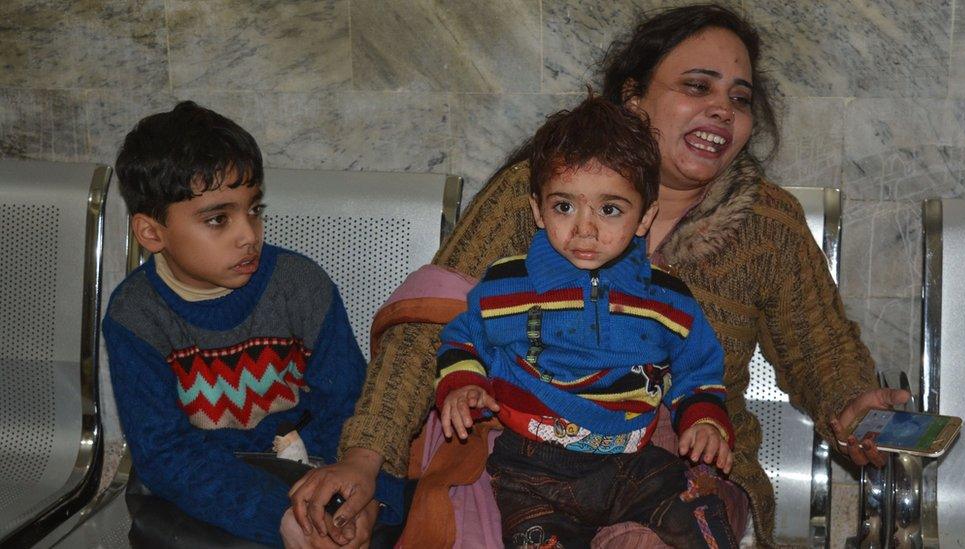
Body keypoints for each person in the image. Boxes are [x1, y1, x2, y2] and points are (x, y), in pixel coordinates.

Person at [296, 4, 910, 547]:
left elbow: (822, 352)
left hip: (682, 472)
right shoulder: (537, 194)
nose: (722, 109)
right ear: (634, 99)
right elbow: (436, 322)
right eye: (698, 86)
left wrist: (854, 404)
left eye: (740, 98)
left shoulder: (768, 225)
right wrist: (364, 458)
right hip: (520, 463)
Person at [435, 95, 737, 548]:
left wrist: (705, 421)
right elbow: (462, 339)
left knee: (701, 512)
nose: (585, 230)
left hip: (634, 465)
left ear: (644, 217)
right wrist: (463, 385)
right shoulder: (507, 283)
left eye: (610, 209)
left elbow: (698, 370)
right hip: (533, 471)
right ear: (538, 209)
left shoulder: (667, 298)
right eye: (564, 207)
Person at [103, 101, 403, 548]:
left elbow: (353, 408)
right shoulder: (135, 315)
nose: (249, 234)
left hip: (311, 475)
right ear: (151, 233)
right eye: (218, 219)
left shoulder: (301, 285)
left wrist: (359, 505)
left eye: (254, 210)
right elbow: (165, 455)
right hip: (201, 487)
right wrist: (276, 517)